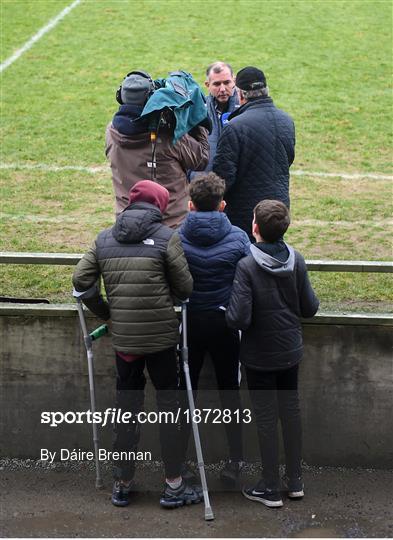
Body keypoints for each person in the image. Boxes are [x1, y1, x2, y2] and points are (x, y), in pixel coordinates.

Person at [72, 180, 202, 509]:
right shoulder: (166, 238)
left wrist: (107, 312)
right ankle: (173, 482)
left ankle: (122, 483)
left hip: (126, 342)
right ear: (158, 207)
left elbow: (81, 281)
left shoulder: (104, 239)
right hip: (160, 340)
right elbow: (185, 287)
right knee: (169, 410)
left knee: (126, 411)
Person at [226, 200, 319, 507]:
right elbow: (310, 307)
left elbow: (239, 318)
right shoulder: (297, 259)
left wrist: (228, 312)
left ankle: (269, 486)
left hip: (259, 357)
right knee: (290, 414)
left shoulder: (246, 266)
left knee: (266, 419)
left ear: (254, 228)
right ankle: (295, 481)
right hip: (290, 352)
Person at [178, 172, 250, 484]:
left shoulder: (176, 236)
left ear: (190, 205)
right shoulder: (238, 237)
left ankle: (178, 463)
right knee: (230, 393)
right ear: (222, 204)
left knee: (184, 394)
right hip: (225, 324)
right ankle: (235, 460)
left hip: (189, 323)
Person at [106, 70, 209, 228]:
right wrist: (194, 120)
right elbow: (201, 159)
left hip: (127, 223)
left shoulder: (111, 132)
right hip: (170, 225)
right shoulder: (169, 137)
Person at [213, 66, 295, 239]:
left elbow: (223, 177)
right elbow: (288, 158)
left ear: (240, 94)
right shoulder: (286, 121)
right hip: (278, 209)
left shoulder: (235, 127)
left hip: (244, 214)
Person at [189, 61, 239, 180]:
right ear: (207, 85)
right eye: (217, 84)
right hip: (206, 187)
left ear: (234, 81)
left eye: (227, 82)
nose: (222, 89)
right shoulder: (197, 112)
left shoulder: (244, 111)